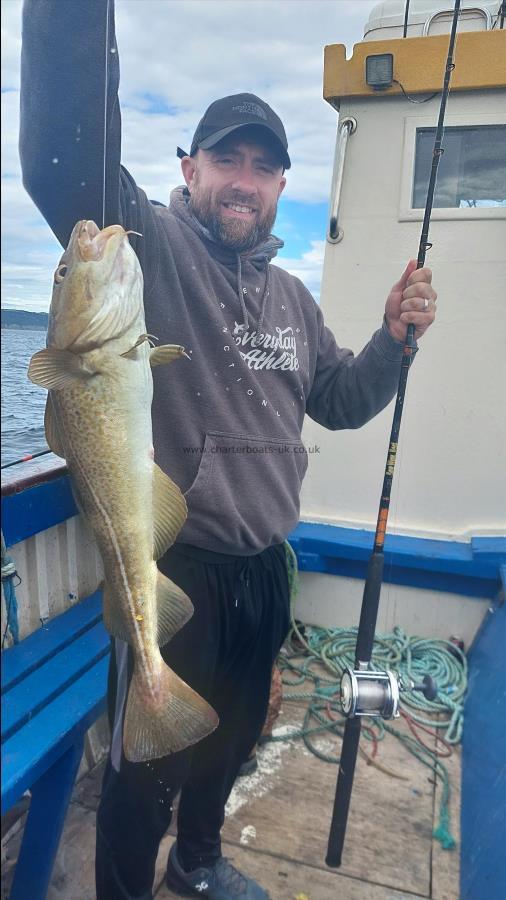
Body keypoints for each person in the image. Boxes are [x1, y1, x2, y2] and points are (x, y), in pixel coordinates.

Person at [19, 2, 437, 898]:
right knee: (147, 769)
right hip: (181, 564)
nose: (245, 181)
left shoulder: (291, 297)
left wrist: (394, 341)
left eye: (265, 166)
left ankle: (198, 861)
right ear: (190, 169)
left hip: (264, 567)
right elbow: (65, 155)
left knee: (235, 734)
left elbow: (341, 400)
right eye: (227, 161)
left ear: (284, 186)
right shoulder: (155, 250)